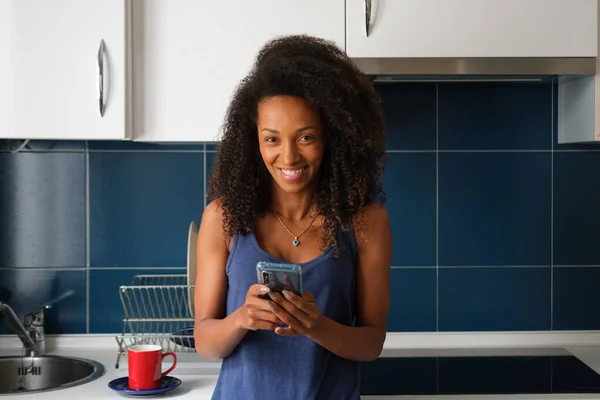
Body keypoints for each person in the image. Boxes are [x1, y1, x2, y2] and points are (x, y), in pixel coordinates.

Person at [193, 34, 392, 400]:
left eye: (305, 137)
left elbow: (371, 343)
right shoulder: (222, 217)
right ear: (252, 139)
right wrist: (241, 319)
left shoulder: (365, 221)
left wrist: (317, 327)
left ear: (333, 136)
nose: (288, 157)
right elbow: (205, 342)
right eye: (272, 139)